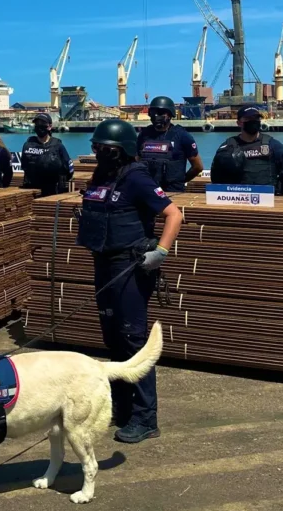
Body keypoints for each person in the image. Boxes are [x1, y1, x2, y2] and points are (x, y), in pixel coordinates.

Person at [75, 119, 183, 444]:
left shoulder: (137, 177)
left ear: (120, 150)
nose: (96, 152)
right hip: (104, 264)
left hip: (130, 267)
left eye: (102, 148)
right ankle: (121, 407)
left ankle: (145, 417)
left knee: (133, 340)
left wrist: (160, 252)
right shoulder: (101, 176)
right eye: (95, 147)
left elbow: (174, 214)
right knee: (113, 339)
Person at [210, 106, 283, 195]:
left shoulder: (274, 146)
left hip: (267, 200)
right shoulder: (227, 147)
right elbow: (216, 177)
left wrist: (276, 193)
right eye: (248, 118)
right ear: (239, 123)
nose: (253, 121)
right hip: (236, 199)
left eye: (256, 118)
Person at [137, 95, 203, 192]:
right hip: (147, 192)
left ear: (170, 114)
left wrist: (181, 180)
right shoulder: (144, 135)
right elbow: (136, 161)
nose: (156, 116)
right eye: (153, 112)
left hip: (172, 192)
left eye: (160, 113)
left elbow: (198, 167)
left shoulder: (182, 136)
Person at [20, 113, 74, 196]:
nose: (39, 126)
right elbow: (24, 165)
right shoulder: (28, 145)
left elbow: (69, 168)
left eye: (42, 124)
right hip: (31, 190)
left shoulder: (58, 145)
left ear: (49, 126)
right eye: (37, 124)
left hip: (52, 191)